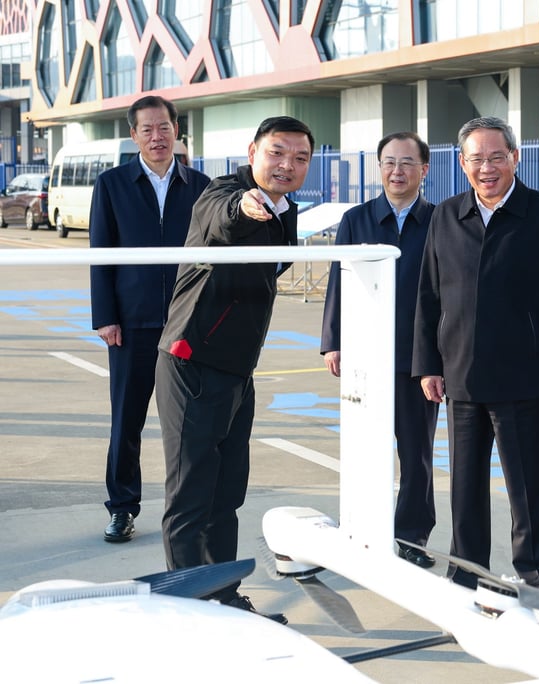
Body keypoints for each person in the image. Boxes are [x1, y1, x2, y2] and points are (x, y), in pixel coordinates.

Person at [412, 116, 539, 602]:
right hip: (460, 377)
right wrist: (428, 363)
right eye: (475, 159)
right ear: (461, 163)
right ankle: (466, 583)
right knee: (464, 495)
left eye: (495, 156)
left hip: (524, 378)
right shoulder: (447, 215)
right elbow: (428, 295)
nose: (486, 167)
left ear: (515, 157)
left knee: (531, 493)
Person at [155, 116, 313, 624]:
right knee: (191, 493)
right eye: (277, 153)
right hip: (192, 360)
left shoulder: (289, 210)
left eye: (300, 158)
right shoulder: (222, 192)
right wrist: (248, 206)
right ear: (252, 152)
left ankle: (223, 598)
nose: (287, 165)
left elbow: (274, 264)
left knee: (226, 493)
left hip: (238, 368)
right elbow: (226, 217)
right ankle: (188, 609)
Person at [89, 95, 210, 543]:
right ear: (133, 135)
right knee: (127, 422)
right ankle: (122, 508)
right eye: (147, 130)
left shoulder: (201, 186)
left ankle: (190, 511)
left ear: (177, 130)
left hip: (186, 323)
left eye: (164, 128)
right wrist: (106, 316)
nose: (157, 137)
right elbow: (101, 253)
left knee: (191, 424)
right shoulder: (113, 185)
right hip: (132, 324)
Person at [321, 131, 439, 568]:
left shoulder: (440, 219)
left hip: (418, 357)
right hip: (366, 355)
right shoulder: (357, 219)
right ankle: (364, 531)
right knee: (365, 450)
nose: (397, 171)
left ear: (424, 170)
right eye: (389, 162)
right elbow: (339, 278)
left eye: (407, 163)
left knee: (416, 453)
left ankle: (411, 537)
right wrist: (334, 341)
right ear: (379, 167)